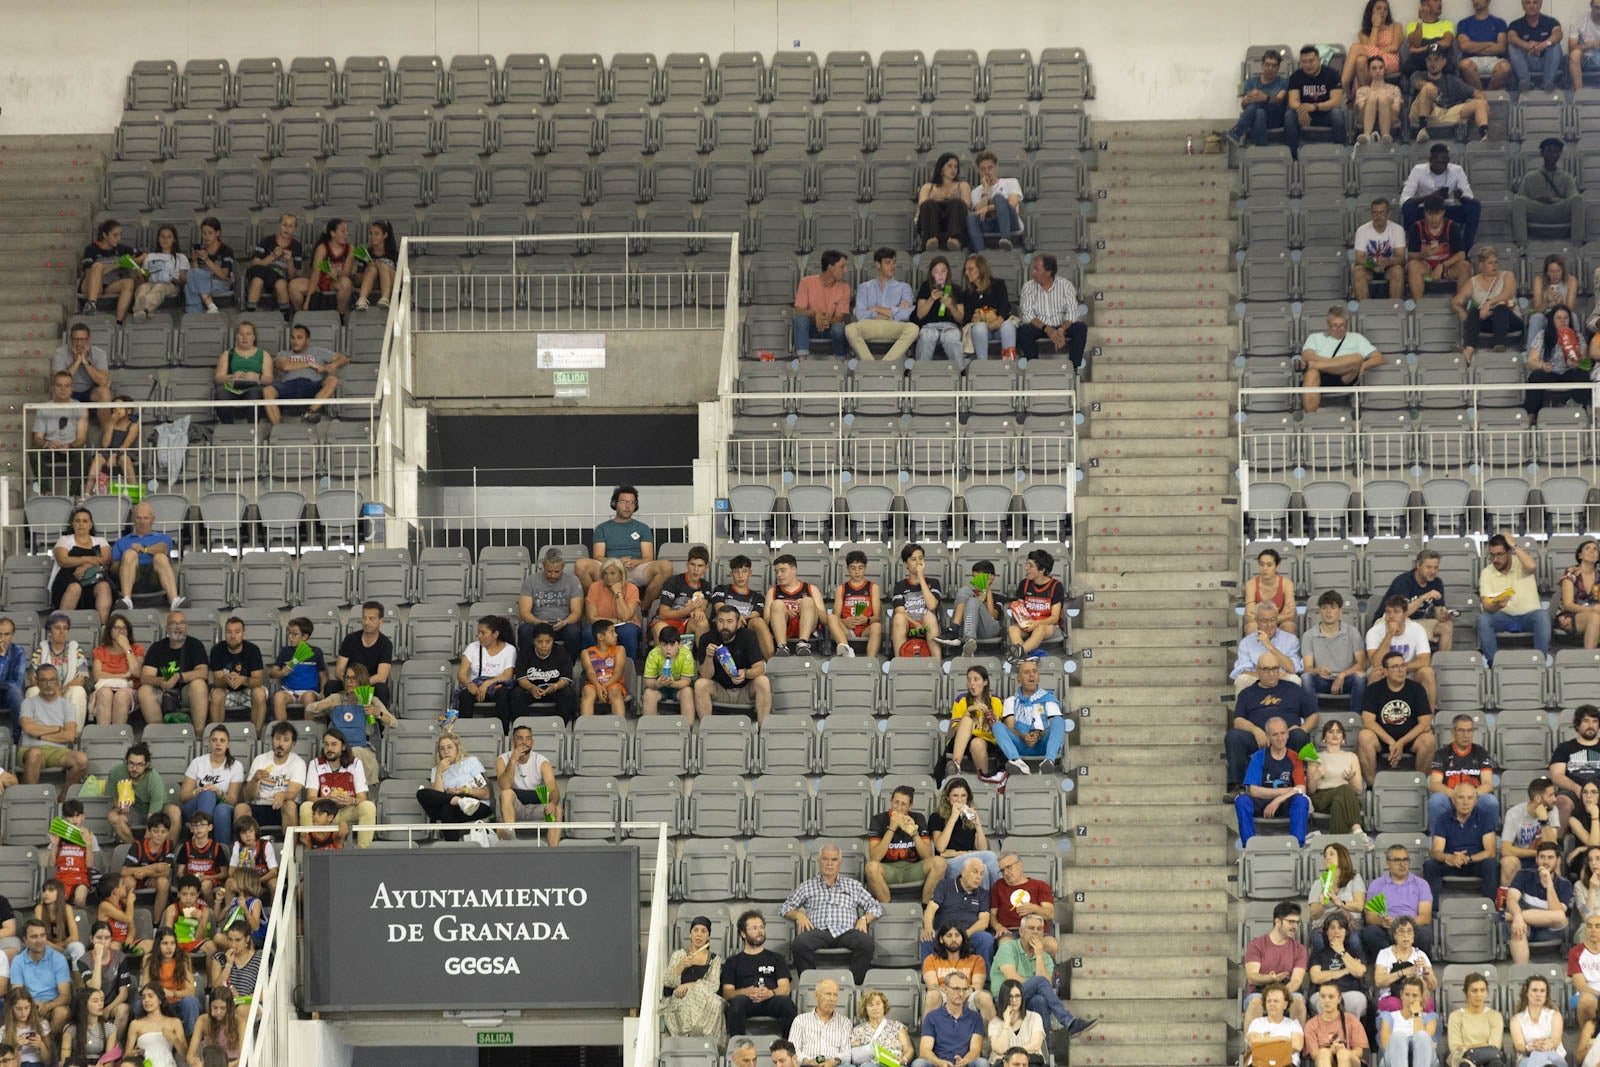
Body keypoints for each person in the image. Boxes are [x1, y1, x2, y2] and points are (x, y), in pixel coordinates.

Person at [783, 842, 882, 984]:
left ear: (840, 863)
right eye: (825, 859)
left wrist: (864, 919)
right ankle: (810, 983)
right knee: (799, 944)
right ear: (819, 861)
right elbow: (786, 907)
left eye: (834, 860)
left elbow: (875, 906)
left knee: (866, 943)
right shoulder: (807, 886)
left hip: (847, 931)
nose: (829, 863)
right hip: (818, 931)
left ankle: (852, 984)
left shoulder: (852, 885)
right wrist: (799, 914)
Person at [989, 915, 1093, 1040]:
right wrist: (1035, 985)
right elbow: (1011, 978)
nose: (1035, 932)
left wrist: (1038, 955)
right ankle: (1068, 1021)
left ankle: (1045, 1049)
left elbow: (1047, 986)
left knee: (1040, 1000)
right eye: (1031, 928)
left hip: (1027, 999)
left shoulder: (1045, 957)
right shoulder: (1007, 947)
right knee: (1040, 982)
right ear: (1021, 932)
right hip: (1004, 998)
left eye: (1039, 929)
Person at [574, 485, 673, 613]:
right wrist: (617, 562)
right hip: (610, 567)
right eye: (623, 502)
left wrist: (636, 562)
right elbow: (598, 556)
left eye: (632, 503)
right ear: (614, 503)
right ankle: (595, 607)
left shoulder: (642, 528)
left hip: (635, 568)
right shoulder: (602, 528)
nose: (628, 506)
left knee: (666, 566)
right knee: (581, 565)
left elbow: (648, 557)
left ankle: (643, 609)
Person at [1226, 661, 1317, 797]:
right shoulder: (1247, 693)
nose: (1272, 673)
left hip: (1287, 737)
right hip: (1259, 738)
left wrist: (1302, 728)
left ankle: (1296, 785)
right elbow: (1238, 720)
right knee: (1234, 737)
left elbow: (1313, 715)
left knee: (1299, 735)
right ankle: (1239, 787)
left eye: (1275, 669)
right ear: (1257, 670)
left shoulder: (1293, 689)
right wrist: (1255, 730)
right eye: (1266, 669)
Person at [1237, 717, 1313, 847]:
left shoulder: (1295, 757)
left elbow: (1301, 788)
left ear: (1288, 734)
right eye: (1275, 734)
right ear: (1268, 737)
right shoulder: (1259, 756)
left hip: (1285, 803)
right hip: (1262, 803)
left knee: (1302, 800)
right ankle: (1249, 846)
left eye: (1283, 733)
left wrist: (1278, 800)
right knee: (1241, 800)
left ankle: (1297, 847)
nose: (1280, 738)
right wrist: (1288, 790)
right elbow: (1254, 791)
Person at [722, 909, 798, 1038]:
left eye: (762, 927)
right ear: (743, 933)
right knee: (736, 1004)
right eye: (754, 928)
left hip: (770, 999)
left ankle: (788, 1045)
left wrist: (771, 993)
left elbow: (785, 988)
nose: (760, 931)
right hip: (745, 1001)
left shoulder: (776, 958)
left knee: (787, 1004)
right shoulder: (733, 962)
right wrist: (745, 992)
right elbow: (727, 993)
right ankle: (738, 1044)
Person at [1299, 305, 1386, 415]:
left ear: (1347, 324)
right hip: (1320, 376)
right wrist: (1334, 363)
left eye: (1342, 325)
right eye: (1335, 326)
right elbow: (1307, 356)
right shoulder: (1315, 338)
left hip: (1345, 376)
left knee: (1357, 358)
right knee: (1311, 373)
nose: (1339, 329)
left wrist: (1363, 365)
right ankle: (1310, 417)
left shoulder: (1357, 338)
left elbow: (1380, 358)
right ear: (1328, 324)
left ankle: (1312, 365)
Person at [1477, 532, 1549, 665]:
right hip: (1502, 617)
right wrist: (1498, 605)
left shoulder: (1521, 563)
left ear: (1509, 552)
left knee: (1542, 616)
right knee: (1484, 619)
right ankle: (1493, 663)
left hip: (1529, 616)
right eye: (1492, 555)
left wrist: (1514, 545)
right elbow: (1486, 605)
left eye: (1500, 554)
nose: (1495, 559)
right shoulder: (1487, 573)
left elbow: (1532, 566)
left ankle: (1540, 663)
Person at [867, 784, 946, 904]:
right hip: (888, 869)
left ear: (910, 806)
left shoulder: (918, 818)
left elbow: (927, 856)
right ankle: (887, 907)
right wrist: (891, 829)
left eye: (903, 804)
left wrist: (914, 834)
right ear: (891, 802)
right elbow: (875, 857)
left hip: (912, 868)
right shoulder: (878, 819)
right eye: (896, 802)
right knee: (871, 867)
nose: (898, 808)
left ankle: (925, 907)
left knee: (939, 863)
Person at [694, 603, 772, 723]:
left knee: (763, 681)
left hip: (745, 690)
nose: (725, 626)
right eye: (721, 621)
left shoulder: (748, 636)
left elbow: (760, 669)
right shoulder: (707, 639)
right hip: (719, 689)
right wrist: (709, 657)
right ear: (715, 621)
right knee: (700, 684)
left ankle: (763, 728)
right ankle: (707, 728)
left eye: (730, 621)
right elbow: (705, 676)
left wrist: (745, 673)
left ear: (738, 623)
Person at [297, 729, 376, 848]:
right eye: (326, 744)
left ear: (343, 747)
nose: (329, 748)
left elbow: (362, 798)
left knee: (368, 806)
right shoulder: (316, 764)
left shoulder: (355, 763)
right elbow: (311, 797)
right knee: (306, 806)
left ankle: (362, 850)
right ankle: (310, 849)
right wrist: (327, 799)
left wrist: (351, 800)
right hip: (325, 812)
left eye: (334, 744)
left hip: (347, 811)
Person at [1425, 782, 1499, 902]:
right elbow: (1435, 852)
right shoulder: (1443, 819)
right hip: (1451, 862)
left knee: (1491, 864)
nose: (1466, 802)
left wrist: (1468, 859)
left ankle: (1488, 906)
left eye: (1470, 798)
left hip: (1474, 862)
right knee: (1430, 865)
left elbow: (1490, 851)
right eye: (1461, 797)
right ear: (1453, 800)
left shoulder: (1485, 817)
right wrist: (1449, 857)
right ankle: (1432, 909)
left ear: (1476, 801)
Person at [19, 666, 87, 797]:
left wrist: (41, 736)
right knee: (35, 754)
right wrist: (56, 729)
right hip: (30, 749)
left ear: (58, 681)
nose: (48, 684)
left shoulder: (66, 705)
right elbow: (28, 728)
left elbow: (70, 735)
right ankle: (30, 798)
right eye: (44, 680)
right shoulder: (28, 703)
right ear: (37, 682)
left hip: (58, 751)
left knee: (81, 759)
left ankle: (64, 797)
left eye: (52, 680)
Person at [1365, 592, 1439, 707]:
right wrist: (1389, 635)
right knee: (1375, 673)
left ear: (1405, 614)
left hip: (1409, 671)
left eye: (1396, 612)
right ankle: (1371, 714)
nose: (1391, 616)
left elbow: (1425, 661)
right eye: (1388, 612)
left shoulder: (1417, 629)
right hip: (1385, 670)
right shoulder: (1374, 632)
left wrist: (1399, 668)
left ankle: (1429, 715)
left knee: (1427, 672)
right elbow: (1376, 663)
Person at [416, 731, 493, 841]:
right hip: (450, 805)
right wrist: (439, 773)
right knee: (422, 793)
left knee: (446, 809)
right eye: (442, 749)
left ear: (457, 748)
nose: (446, 752)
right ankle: (459, 801)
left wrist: (465, 790)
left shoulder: (471, 762)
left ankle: (452, 846)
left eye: (450, 747)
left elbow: (486, 794)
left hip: (474, 805)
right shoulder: (436, 770)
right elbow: (438, 796)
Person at [1404, 146, 1480, 256]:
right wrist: (1430, 197)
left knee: (1474, 206)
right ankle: (1415, 249)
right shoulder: (1418, 170)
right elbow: (1405, 199)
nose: (1440, 166)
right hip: (1426, 210)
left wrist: (1461, 197)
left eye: (1444, 163)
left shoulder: (1457, 170)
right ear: (1430, 160)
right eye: (1437, 163)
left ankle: (1463, 250)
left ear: (1448, 160)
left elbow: (1469, 196)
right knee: (1408, 207)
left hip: (1448, 209)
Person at [139, 612, 209, 731]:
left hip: (187, 689)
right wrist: (159, 681)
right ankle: (159, 734)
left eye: (181, 623)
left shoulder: (195, 645)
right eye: (173, 623)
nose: (178, 627)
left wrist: (178, 677)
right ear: (167, 628)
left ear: (186, 627)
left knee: (199, 684)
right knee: (144, 691)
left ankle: (198, 734)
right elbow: (145, 677)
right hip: (162, 690)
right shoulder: (157, 647)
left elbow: (203, 672)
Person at [846, 247, 918, 361]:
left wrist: (876, 308)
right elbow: (860, 315)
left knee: (913, 329)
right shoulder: (864, 287)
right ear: (878, 264)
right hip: (870, 325)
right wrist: (893, 312)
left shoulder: (904, 287)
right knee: (850, 329)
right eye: (888, 263)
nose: (892, 266)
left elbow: (907, 314)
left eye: (894, 262)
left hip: (894, 325)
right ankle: (870, 363)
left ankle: (885, 364)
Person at [1377, 549, 1456, 654]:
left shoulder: (1437, 582)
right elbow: (1402, 613)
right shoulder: (1403, 581)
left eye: (1436, 568)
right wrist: (1424, 597)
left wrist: (1443, 616)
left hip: (1417, 621)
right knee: (1398, 625)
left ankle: (1442, 662)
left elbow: (1438, 612)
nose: (1433, 571)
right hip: (1390, 620)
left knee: (1447, 626)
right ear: (1418, 565)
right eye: (1429, 567)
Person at [661, 916, 725, 1044]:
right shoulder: (679, 955)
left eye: (703, 931)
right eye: (696, 930)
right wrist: (681, 966)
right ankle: (692, 1035)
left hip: (705, 1000)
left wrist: (690, 985)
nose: (699, 934)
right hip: (681, 999)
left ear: (708, 936)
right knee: (700, 997)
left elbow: (713, 985)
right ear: (690, 934)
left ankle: (710, 1043)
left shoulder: (714, 959)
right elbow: (668, 982)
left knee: (714, 1001)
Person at [1506, 840, 1573, 964]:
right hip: (1526, 927)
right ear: (1536, 859)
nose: (1545, 861)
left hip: (1550, 931)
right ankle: (1522, 972)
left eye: (1550, 857)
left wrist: (1549, 883)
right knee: (1518, 929)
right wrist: (1518, 918)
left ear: (1558, 860)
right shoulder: (1523, 875)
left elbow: (1557, 914)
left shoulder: (1565, 884)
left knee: (1560, 916)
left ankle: (1512, 917)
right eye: (1542, 857)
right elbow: (1511, 899)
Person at [265, 324, 346, 426]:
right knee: (267, 390)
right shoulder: (283, 354)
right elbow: (285, 366)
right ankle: (278, 428)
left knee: (332, 380)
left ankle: (310, 412)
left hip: (312, 385)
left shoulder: (318, 352)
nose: (295, 341)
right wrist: (309, 364)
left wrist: (333, 365)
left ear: (307, 340)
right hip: (289, 386)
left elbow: (343, 358)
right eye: (292, 337)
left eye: (299, 338)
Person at [995, 659, 1066, 775]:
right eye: (1026, 672)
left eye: (1034, 671)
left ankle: (1048, 761)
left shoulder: (1049, 698)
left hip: (1043, 744)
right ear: (1019, 679)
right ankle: (1017, 762)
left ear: (1038, 677)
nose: (1031, 675)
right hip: (1020, 744)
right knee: (997, 726)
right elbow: (1010, 728)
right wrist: (1024, 736)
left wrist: (1038, 735)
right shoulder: (1010, 701)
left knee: (1059, 720)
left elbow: (1054, 726)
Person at [1362, 847, 1436, 957]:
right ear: (1388, 863)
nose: (1402, 864)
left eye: (1405, 860)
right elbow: (1370, 917)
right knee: (1371, 932)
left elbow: (1425, 917)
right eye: (1397, 860)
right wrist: (1382, 921)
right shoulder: (1377, 884)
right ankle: (1389, 963)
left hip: (1411, 927)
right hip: (1386, 928)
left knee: (1424, 934)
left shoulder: (1421, 884)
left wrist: (1402, 924)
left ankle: (1415, 964)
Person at [1016, 254, 1086, 370]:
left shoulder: (1066, 285)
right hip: (1040, 327)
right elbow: (1028, 315)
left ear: (1048, 272)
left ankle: (1073, 368)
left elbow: (1072, 313)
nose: (1033, 273)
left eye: (1037, 269)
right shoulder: (1028, 287)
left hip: (1061, 326)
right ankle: (1034, 367)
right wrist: (1047, 329)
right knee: (1024, 330)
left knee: (1081, 328)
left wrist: (1061, 330)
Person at [495, 723, 561, 844]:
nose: (524, 742)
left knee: (557, 810)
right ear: (512, 742)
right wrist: (513, 759)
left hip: (537, 809)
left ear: (532, 742)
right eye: (520, 738)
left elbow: (553, 790)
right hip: (515, 809)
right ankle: (510, 840)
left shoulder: (542, 762)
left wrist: (552, 803)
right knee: (506, 793)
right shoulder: (502, 759)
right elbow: (505, 786)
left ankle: (552, 850)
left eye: (528, 739)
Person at [1303, 592, 1369, 713]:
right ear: (1320, 611)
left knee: (1360, 678)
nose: (1328, 612)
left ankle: (1356, 717)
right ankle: (1311, 716)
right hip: (1322, 680)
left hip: (1346, 679)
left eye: (1333, 608)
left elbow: (1362, 664)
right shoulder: (1309, 635)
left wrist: (1342, 675)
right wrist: (1318, 670)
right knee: (1306, 678)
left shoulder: (1352, 632)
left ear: (1340, 611)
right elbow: (1307, 667)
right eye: (1324, 608)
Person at [1428, 716, 1498, 829]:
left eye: (1470, 730)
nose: (1466, 735)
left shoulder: (1481, 753)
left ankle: (1489, 837)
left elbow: (1488, 784)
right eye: (1461, 730)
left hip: (1474, 797)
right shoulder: (1442, 754)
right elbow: (1434, 784)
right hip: (1451, 797)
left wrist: (1470, 797)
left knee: (1491, 801)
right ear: (1453, 732)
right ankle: (1437, 838)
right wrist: (1454, 795)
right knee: (1436, 801)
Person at [1409, 45, 1490, 143]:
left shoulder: (1451, 80)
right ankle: (1422, 130)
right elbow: (1417, 83)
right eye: (1429, 60)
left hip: (1444, 112)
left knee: (1479, 103)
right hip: (1421, 113)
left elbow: (1476, 92)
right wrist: (1427, 84)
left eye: (1436, 59)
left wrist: (1484, 103)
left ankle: (1484, 135)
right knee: (1426, 89)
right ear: (1426, 62)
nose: (1433, 63)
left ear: (1444, 61)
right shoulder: (1418, 75)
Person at [1454, 246, 1522, 363]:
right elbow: (1456, 302)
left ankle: (1499, 345)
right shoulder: (1473, 282)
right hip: (1488, 321)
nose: (1494, 266)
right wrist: (1462, 312)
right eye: (1490, 263)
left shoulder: (1507, 275)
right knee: (1474, 311)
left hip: (1510, 320)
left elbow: (1507, 294)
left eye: (1496, 262)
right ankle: (1469, 348)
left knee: (1500, 308)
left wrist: (1489, 303)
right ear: (1481, 265)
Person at [921, 858, 995, 965]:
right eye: (975, 872)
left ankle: (984, 975)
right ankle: (928, 975)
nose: (979, 877)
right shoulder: (945, 885)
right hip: (945, 933)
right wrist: (928, 927)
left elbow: (983, 922)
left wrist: (964, 935)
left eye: (981, 874)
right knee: (927, 937)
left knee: (986, 938)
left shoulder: (983, 894)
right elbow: (931, 908)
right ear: (964, 872)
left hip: (969, 934)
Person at [178, 725, 242, 849]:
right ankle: (202, 843)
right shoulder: (197, 762)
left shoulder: (235, 766)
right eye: (214, 740)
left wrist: (218, 792)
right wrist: (197, 792)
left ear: (228, 744)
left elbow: (233, 800)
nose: (218, 744)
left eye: (222, 740)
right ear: (209, 743)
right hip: (195, 808)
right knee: (207, 794)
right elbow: (183, 797)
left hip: (222, 804)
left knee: (221, 810)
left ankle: (222, 852)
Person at [112, 503, 182, 613]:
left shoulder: (163, 538)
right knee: (129, 554)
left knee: (160, 557)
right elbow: (114, 568)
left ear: (153, 520)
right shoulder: (121, 542)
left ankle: (174, 600)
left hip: (156, 578)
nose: (142, 522)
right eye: (139, 518)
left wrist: (144, 549)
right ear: (133, 519)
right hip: (132, 579)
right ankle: (126, 600)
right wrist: (124, 562)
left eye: (146, 518)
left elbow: (163, 549)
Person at [1524, 305, 1590, 421]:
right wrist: (1542, 366)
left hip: (1569, 372)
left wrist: (1576, 364)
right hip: (1550, 372)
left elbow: (1585, 362)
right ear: (1552, 320)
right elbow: (1530, 361)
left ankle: (1581, 411)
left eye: (1566, 318)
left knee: (1583, 375)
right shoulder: (1543, 335)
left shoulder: (1577, 336)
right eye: (1559, 318)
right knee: (1535, 376)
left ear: (1570, 320)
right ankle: (1531, 415)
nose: (1562, 321)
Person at [106, 743, 180, 847]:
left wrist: (147, 846)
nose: (134, 768)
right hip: (133, 810)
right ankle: (134, 849)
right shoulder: (116, 772)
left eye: (139, 764)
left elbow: (152, 817)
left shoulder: (154, 779)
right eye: (131, 763)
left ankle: (168, 851)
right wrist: (119, 807)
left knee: (175, 811)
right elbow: (113, 799)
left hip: (157, 810)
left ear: (146, 765)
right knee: (113, 816)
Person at [930, 780, 1000, 887]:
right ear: (947, 798)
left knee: (984, 870)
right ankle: (1001, 892)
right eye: (955, 796)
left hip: (969, 860)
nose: (959, 800)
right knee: (991, 856)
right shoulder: (936, 817)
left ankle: (988, 898)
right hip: (948, 864)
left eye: (963, 796)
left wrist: (978, 825)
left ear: (968, 798)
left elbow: (982, 849)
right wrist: (953, 818)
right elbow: (940, 847)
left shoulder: (968, 818)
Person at [517, 548, 586, 658]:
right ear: (544, 565)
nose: (553, 575)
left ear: (563, 567)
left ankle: (568, 665)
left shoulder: (573, 581)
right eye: (549, 571)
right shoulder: (531, 581)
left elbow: (577, 612)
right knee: (525, 630)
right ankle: (528, 664)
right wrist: (538, 622)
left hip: (563, 625)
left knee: (573, 631)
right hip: (538, 625)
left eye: (557, 572)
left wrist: (565, 622)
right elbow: (524, 612)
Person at [1514, 139, 1583, 245]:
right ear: (1542, 153)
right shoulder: (1530, 177)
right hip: (1538, 211)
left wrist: (1554, 200)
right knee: (1519, 201)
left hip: (1558, 210)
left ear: (1559, 154)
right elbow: (1522, 199)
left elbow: (1573, 197)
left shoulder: (1567, 177)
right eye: (1549, 151)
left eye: (1556, 151)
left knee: (1578, 199)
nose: (1552, 155)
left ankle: (1577, 244)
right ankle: (1521, 245)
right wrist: (1538, 200)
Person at [913, 971, 988, 1067]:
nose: (961, 993)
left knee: (982, 1062)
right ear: (945, 989)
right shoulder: (932, 1017)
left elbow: (975, 1050)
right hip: (938, 1064)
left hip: (965, 1064)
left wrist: (963, 1061)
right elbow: (925, 1050)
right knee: (919, 1063)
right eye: (956, 989)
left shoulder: (975, 1017)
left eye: (964, 989)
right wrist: (939, 1062)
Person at [27, 613, 88, 731]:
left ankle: (73, 734)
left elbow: (81, 678)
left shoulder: (76, 648)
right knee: (33, 691)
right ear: (49, 631)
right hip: (45, 690)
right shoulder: (40, 649)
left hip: (67, 690)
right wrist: (51, 691)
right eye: (57, 628)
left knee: (78, 691)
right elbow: (33, 679)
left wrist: (61, 691)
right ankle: (40, 732)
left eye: (65, 628)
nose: (62, 632)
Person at [1284, 45, 1346, 159]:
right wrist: (1302, 109)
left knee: (1337, 114)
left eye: (1311, 61)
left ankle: (1340, 153)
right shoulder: (1296, 76)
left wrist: (1315, 106)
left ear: (1319, 60)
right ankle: (1292, 156)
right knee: (1289, 115)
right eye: (1304, 62)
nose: (1308, 65)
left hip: (1326, 114)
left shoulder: (1332, 74)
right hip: (1305, 116)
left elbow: (1336, 102)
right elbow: (1292, 101)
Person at [49, 508, 111, 620]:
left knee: (104, 586)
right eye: (77, 521)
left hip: (93, 579)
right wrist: (88, 559)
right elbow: (63, 560)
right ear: (73, 524)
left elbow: (105, 560)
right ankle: (62, 625)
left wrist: (86, 566)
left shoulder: (100, 541)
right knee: (75, 587)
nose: (81, 524)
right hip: (67, 580)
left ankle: (103, 626)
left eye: (85, 521)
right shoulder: (64, 540)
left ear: (91, 525)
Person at [1311, 721, 1369, 839]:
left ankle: (1337, 842)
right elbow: (1310, 790)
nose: (1335, 735)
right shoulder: (1315, 757)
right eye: (1331, 732)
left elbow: (1358, 790)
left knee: (1338, 802)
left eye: (1338, 732)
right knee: (1345, 788)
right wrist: (1315, 777)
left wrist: (1351, 780)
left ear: (1343, 737)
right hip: (1322, 798)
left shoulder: (1352, 757)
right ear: (1324, 737)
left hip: (1346, 799)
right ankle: (1358, 831)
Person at [11, 921, 71, 1035]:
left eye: (42, 935)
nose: (39, 940)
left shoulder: (58, 959)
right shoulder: (18, 961)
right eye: (34, 936)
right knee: (19, 1010)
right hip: (28, 1005)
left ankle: (49, 1043)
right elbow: (17, 993)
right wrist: (32, 1006)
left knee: (62, 1012)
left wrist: (47, 1006)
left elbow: (65, 996)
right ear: (25, 940)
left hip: (53, 1005)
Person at [454, 614, 516, 723]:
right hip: (476, 687)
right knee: (465, 695)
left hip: (496, 687)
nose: (479, 636)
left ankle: (504, 730)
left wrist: (487, 684)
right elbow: (461, 674)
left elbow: (507, 676)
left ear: (495, 634)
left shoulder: (509, 649)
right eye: (478, 632)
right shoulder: (472, 647)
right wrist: (469, 684)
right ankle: (464, 728)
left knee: (503, 694)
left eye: (483, 633)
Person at [511, 622, 577, 723]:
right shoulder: (525, 653)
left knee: (568, 693)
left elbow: (565, 679)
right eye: (539, 642)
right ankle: (522, 726)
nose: (544, 645)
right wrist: (531, 687)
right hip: (531, 689)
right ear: (533, 641)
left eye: (548, 642)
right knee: (516, 693)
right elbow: (521, 679)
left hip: (554, 689)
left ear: (553, 640)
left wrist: (555, 686)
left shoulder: (561, 653)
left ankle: (559, 726)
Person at [267, 616, 325, 730]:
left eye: (294, 634)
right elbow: (272, 673)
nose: (290, 637)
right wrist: (282, 672)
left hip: (309, 691)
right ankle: (283, 730)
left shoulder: (316, 652)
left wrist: (323, 691)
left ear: (305, 637)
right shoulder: (285, 651)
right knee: (278, 696)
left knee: (309, 698)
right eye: (289, 633)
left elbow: (323, 675)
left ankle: (308, 730)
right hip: (289, 691)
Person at [921, 922, 990, 1019]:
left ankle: (990, 1030)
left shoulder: (976, 959)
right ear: (941, 939)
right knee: (932, 995)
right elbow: (932, 985)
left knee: (985, 997)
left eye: (957, 935)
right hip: (943, 994)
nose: (953, 939)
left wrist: (963, 992)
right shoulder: (931, 960)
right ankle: (927, 1029)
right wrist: (952, 993)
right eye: (949, 936)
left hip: (967, 995)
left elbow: (977, 985)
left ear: (963, 938)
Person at [288, 218, 356, 316]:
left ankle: (340, 316)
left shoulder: (350, 248)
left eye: (347, 231)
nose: (346, 234)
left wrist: (337, 273)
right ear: (333, 233)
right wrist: (308, 300)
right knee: (293, 285)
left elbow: (347, 273)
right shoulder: (322, 248)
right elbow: (315, 275)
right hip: (319, 283)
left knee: (346, 283)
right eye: (343, 231)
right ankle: (300, 315)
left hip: (335, 283)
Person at [1005, 551, 1064, 663]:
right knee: (1012, 629)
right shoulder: (1024, 584)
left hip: (1049, 627)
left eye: (1030, 565)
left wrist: (1036, 623)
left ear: (1042, 570)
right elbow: (1020, 609)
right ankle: (1024, 658)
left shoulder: (1056, 586)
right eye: (1026, 564)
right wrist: (1019, 614)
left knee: (1040, 628)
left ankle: (1019, 653)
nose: (1026, 568)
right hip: (1028, 625)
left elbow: (1054, 618)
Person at [1309, 914, 1370, 1021]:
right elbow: (1316, 977)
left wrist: (1342, 952)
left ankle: (1350, 1030)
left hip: (1350, 992)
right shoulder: (1318, 953)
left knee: (1357, 1000)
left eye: (1340, 928)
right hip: (1325, 993)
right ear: (1326, 932)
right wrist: (1345, 971)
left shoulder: (1355, 952)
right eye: (1332, 928)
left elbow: (1359, 972)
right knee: (1323, 1001)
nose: (1336, 931)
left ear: (1346, 932)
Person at [792, 249, 852, 358]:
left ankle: (841, 362)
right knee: (800, 319)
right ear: (830, 267)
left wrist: (823, 321)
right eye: (842, 267)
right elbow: (798, 311)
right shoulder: (806, 282)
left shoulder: (845, 287)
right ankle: (802, 362)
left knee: (839, 328)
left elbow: (838, 317)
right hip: (811, 327)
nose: (845, 270)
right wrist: (816, 312)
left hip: (830, 327)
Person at [988, 854, 1055, 951]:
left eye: (1008, 867)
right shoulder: (998, 886)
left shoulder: (1040, 885)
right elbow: (992, 915)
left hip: (1035, 931)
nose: (1005, 873)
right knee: (1006, 945)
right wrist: (998, 927)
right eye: (1002, 870)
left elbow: (1050, 914)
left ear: (1020, 865)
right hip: (1010, 931)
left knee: (1051, 945)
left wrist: (1033, 908)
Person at [79, 219, 141, 324]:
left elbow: (144, 255)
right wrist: (116, 265)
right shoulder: (92, 249)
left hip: (109, 286)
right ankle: (91, 304)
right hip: (91, 285)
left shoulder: (121, 249)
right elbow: (89, 274)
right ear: (105, 235)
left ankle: (118, 322)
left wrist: (131, 262)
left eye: (120, 235)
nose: (119, 238)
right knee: (98, 266)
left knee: (129, 282)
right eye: (115, 235)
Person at [206, 618, 264, 728]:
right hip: (226, 690)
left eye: (237, 632)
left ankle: (257, 735)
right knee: (216, 694)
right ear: (225, 634)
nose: (233, 636)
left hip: (247, 689)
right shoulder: (217, 650)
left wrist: (243, 680)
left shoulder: (253, 650)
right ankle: (217, 732)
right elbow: (217, 682)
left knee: (260, 693)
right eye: (229, 632)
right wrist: (225, 679)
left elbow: (258, 681)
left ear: (243, 634)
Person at [889, 543, 943, 661]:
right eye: (913, 559)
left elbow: (932, 605)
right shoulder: (900, 586)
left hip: (928, 626)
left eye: (921, 558)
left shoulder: (933, 582)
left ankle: (937, 665)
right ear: (905, 564)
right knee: (898, 617)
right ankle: (899, 663)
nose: (918, 563)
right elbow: (900, 611)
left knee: (929, 616)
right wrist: (915, 624)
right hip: (909, 627)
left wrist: (921, 577)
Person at [946, 667, 1002, 782]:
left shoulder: (996, 701)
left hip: (987, 741)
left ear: (985, 682)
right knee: (967, 720)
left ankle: (984, 779)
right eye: (969, 680)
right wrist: (968, 712)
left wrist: (992, 720)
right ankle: (956, 766)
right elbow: (954, 732)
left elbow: (1001, 733)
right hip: (961, 743)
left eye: (976, 679)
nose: (971, 684)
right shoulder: (961, 700)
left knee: (977, 743)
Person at [959, 254, 1016, 365]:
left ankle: (1009, 365)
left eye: (970, 269)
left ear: (981, 269)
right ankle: (983, 364)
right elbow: (966, 316)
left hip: (999, 326)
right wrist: (974, 317)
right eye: (965, 270)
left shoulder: (998, 285)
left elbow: (1005, 306)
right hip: (982, 330)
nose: (966, 273)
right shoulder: (967, 294)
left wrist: (998, 321)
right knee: (979, 327)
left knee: (1008, 326)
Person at [332, 601, 393, 705]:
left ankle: (378, 716)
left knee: (381, 689)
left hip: (369, 684)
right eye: (364, 618)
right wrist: (350, 682)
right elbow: (338, 670)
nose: (366, 622)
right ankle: (334, 715)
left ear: (381, 621)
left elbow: (382, 676)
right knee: (331, 685)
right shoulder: (350, 639)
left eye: (371, 619)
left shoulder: (385, 644)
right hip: (349, 681)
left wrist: (359, 684)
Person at [765, 554, 826, 657]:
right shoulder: (773, 591)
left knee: (808, 601)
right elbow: (767, 620)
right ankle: (782, 646)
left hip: (808, 627)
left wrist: (810, 607)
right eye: (776, 571)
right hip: (783, 627)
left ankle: (803, 644)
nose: (779, 575)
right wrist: (784, 612)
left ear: (794, 570)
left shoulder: (811, 589)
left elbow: (824, 619)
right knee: (777, 604)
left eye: (782, 570)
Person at [89, 614, 144, 728]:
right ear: (110, 630)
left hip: (128, 690)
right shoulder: (100, 650)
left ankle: (117, 735)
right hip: (104, 688)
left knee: (121, 695)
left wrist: (127, 647)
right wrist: (124, 675)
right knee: (105, 693)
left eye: (124, 628)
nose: (121, 631)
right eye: (117, 628)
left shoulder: (136, 649)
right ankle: (103, 733)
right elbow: (98, 676)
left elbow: (137, 672)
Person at [1227, 49, 1290, 148]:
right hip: (1257, 118)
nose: (1270, 68)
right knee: (1259, 112)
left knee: (1258, 103)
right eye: (1267, 64)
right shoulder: (1251, 82)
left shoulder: (1283, 82)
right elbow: (1244, 107)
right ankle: (1262, 149)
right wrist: (1246, 101)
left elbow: (1279, 100)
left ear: (1278, 68)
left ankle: (1237, 132)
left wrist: (1265, 98)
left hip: (1276, 117)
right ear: (1262, 65)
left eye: (1274, 66)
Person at [1374, 917, 1439, 1014]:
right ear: (1395, 936)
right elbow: (1379, 982)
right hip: (1391, 996)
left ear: (1413, 936)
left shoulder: (1421, 954)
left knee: (1427, 1004)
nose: (1406, 936)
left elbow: (1433, 986)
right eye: (1401, 932)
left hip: (1415, 997)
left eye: (1409, 932)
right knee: (1394, 1005)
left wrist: (1426, 971)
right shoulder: (1384, 954)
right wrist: (1404, 972)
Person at [652, 544, 712, 648]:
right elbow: (663, 614)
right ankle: (663, 659)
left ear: (706, 568)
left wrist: (698, 610)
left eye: (700, 566)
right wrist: (686, 610)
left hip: (686, 624)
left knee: (702, 622)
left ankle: (703, 657)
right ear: (687, 565)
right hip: (666, 622)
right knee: (661, 628)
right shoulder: (673, 581)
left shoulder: (706, 586)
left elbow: (702, 607)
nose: (696, 569)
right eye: (692, 564)